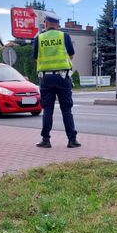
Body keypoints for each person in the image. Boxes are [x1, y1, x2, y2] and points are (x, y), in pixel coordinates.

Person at [33, 14, 81, 148]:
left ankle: (45, 140)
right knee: (66, 109)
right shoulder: (64, 36)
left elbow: (36, 58)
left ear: (46, 23)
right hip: (62, 77)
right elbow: (71, 55)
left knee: (47, 109)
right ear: (57, 24)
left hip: (45, 78)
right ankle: (72, 140)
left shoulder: (39, 38)